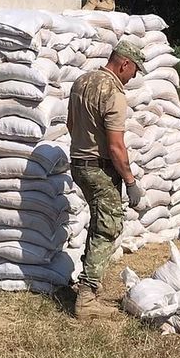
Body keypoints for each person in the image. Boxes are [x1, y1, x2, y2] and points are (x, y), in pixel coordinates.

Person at [66, 38, 147, 320]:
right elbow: (116, 146)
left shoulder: (82, 81)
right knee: (109, 226)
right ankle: (87, 298)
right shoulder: (113, 91)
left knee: (100, 222)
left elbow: (70, 125)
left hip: (79, 164)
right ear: (124, 63)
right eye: (134, 69)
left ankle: (85, 282)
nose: (134, 76)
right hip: (99, 168)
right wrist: (130, 181)